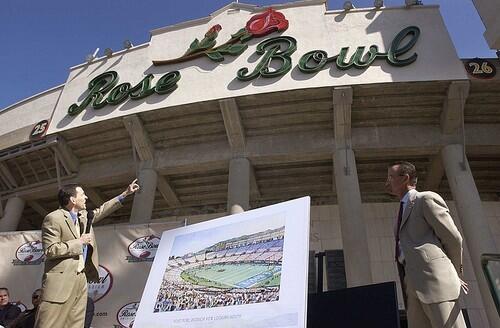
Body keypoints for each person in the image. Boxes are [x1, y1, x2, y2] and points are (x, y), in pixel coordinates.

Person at [34, 180, 140, 328]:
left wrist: (125, 193)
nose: (86, 198)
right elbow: (50, 250)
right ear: (72, 199)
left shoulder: (84, 216)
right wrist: (79, 242)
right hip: (61, 281)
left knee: (76, 324)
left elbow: (101, 210)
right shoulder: (54, 218)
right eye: (82, 195)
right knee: (49, 324)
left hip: (81, 279)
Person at [385, 161, 468, 328]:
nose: (387, 183)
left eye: (390, 177)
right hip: (412, 284)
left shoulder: (425, 199)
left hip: (435, 281)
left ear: (405, 178)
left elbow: (453, 238)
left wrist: (455, 272)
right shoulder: (402, 208)